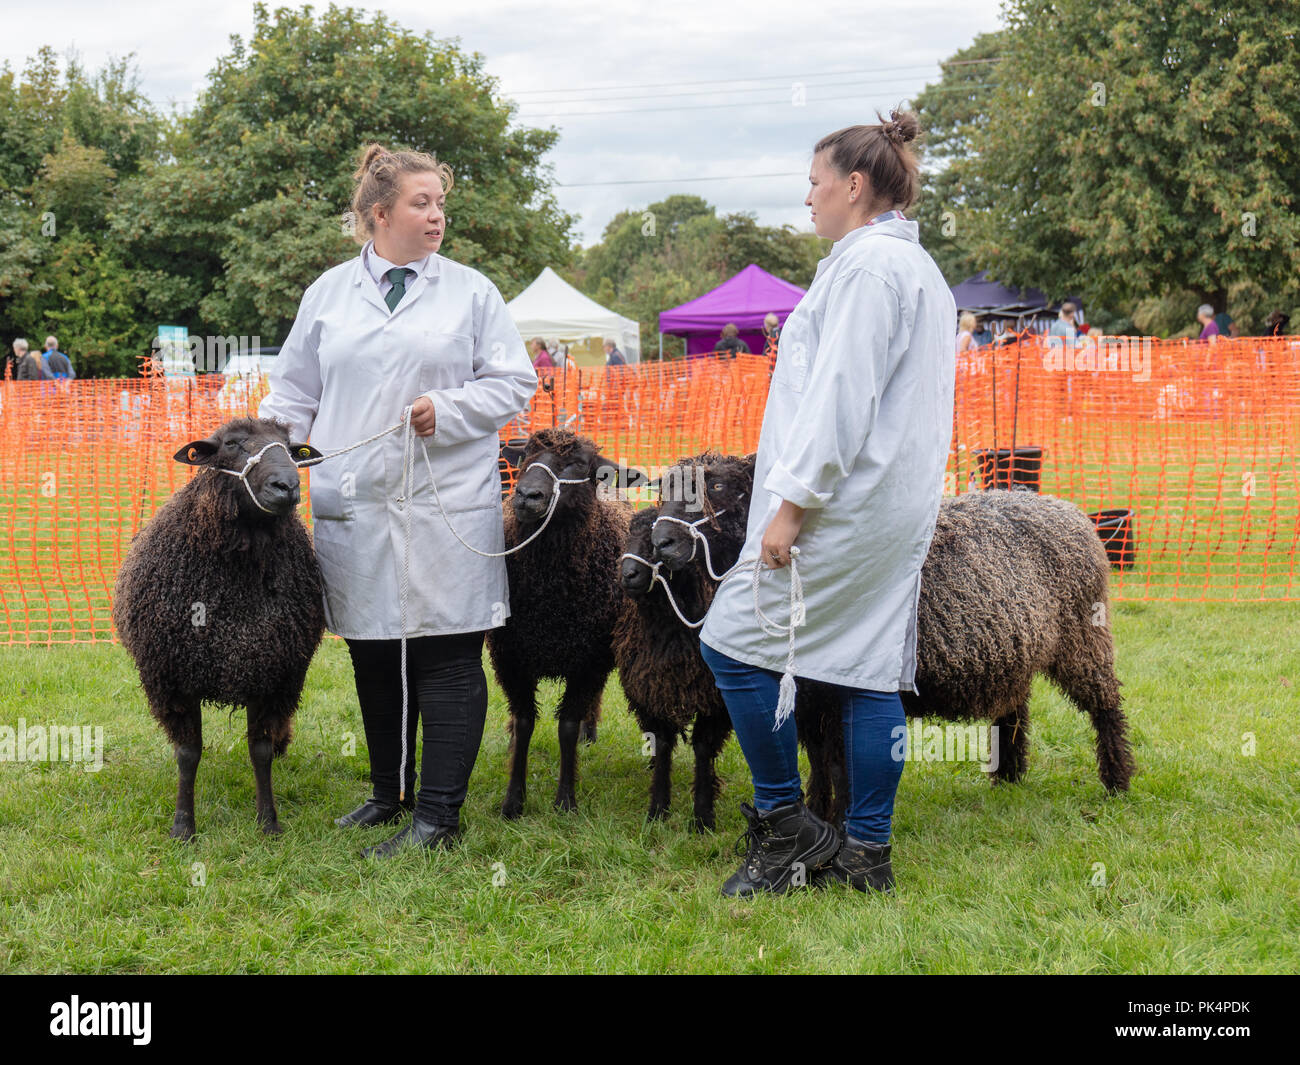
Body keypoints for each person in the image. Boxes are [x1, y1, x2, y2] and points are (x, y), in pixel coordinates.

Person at [698, 108, 956, 897]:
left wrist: (792, 506)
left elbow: (842, 396)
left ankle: (787, 829)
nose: (806, 197)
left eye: (814, 182)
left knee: (733, 641)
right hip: (889, 501)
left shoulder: (869, 269)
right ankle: (864, 853)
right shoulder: (910, 266)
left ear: (853, 184)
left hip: (841, 502)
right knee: (866, 669)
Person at [259, 142, 537, 858]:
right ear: (379, 213)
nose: (437, 213)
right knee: (375, 650)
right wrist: (266, 451)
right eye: (422, 202)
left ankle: (438, 818)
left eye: (441, 201)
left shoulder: (471, 291)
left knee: (446, 652)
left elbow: (512, 383)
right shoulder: (326, 296)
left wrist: (446, 408)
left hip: (446, 500)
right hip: (355, 501)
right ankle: (390, 793)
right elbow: (292, 393)